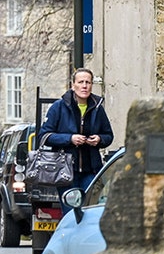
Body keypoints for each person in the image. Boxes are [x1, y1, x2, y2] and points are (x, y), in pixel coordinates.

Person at [39, 67, 115, 197]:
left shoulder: (97, 108)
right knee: (71, 212)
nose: (84, 86)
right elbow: (45, 136)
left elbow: (108, 135)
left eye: (88, 82)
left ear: (91, 85)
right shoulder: (59, 107)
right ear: (73, 85)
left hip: (91, 170)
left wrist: (99, 139)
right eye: (81, 82)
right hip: (65, 171)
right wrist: (70, 139)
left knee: (89, 210)